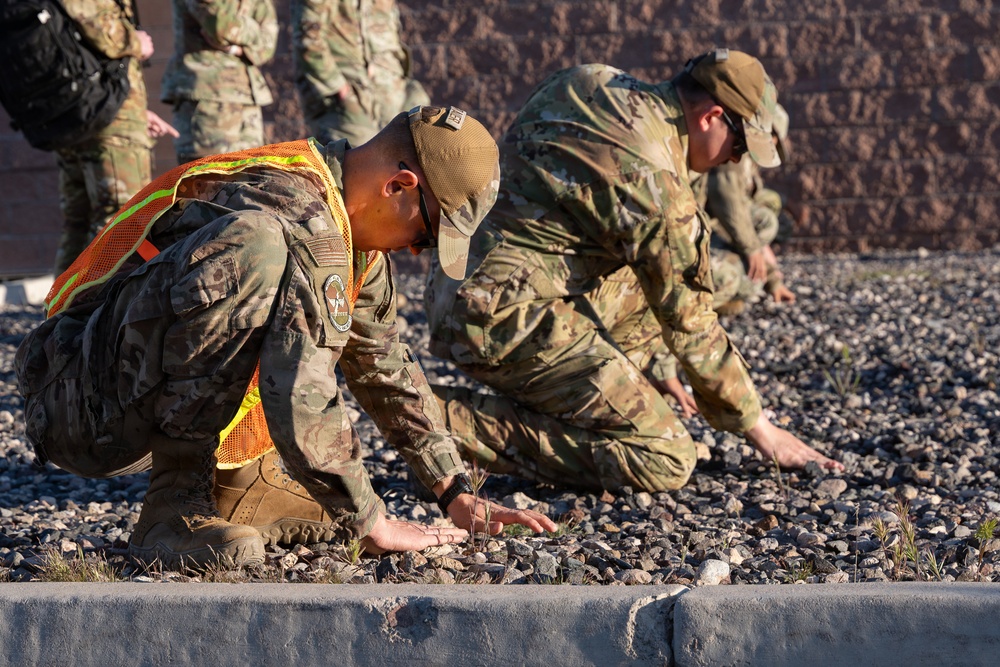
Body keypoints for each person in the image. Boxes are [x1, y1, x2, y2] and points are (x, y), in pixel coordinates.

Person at [15, 105, 555, 570]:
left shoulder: (351, 230)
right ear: (399, 186)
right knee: (259, 250)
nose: (417, 250)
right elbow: (303, 384)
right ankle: (173, 508)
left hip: (126, 389)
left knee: (291, 289)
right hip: (76, 400)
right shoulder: (294, 208)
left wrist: (455, 490)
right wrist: (370, 519)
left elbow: (385, 364)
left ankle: (244, 485)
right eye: (426, 233)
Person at [425, 49, 843, 496]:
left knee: (647, 284)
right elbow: (691, 322)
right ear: (711, 116)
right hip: (501, 319)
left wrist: (656, 365)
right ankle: (436, 420)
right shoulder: (658, 186)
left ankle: (560, 395)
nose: (736, 162)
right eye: (739, 146)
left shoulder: (589, 80)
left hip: (455, 284)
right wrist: (760, 427)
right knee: (664, 457)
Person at [53, 0, 178, 274]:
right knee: (122, 221)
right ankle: (97, 312)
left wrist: (136, 112)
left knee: (81, 223)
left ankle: (60, 314)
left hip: (88, 111)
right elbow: (93, 22)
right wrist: (135, 41)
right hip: (107, 122)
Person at [695, 103, 797, 315]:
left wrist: (772, 278)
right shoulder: (732, 154)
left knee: (750, 282)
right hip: (693, 238)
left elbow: (746, 205)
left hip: (710, 236)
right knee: (729, 279)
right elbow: (728, 202)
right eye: (773, 138)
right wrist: (752, 250)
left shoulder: (745, 161)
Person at [292, 0, 431, 147]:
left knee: (418, 151)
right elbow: (308, 38)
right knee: (357, 162)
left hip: (392, 92)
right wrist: (341, 90)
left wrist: (398, 79)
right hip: (347, 100)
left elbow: (391, 27)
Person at [162, 0, 278, 164]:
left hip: (248, 99)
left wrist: (234, 47)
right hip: (208, 100)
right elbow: (220, 26)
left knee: (252, 179)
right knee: (212, 181)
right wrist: (252, 31)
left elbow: (268, 44)